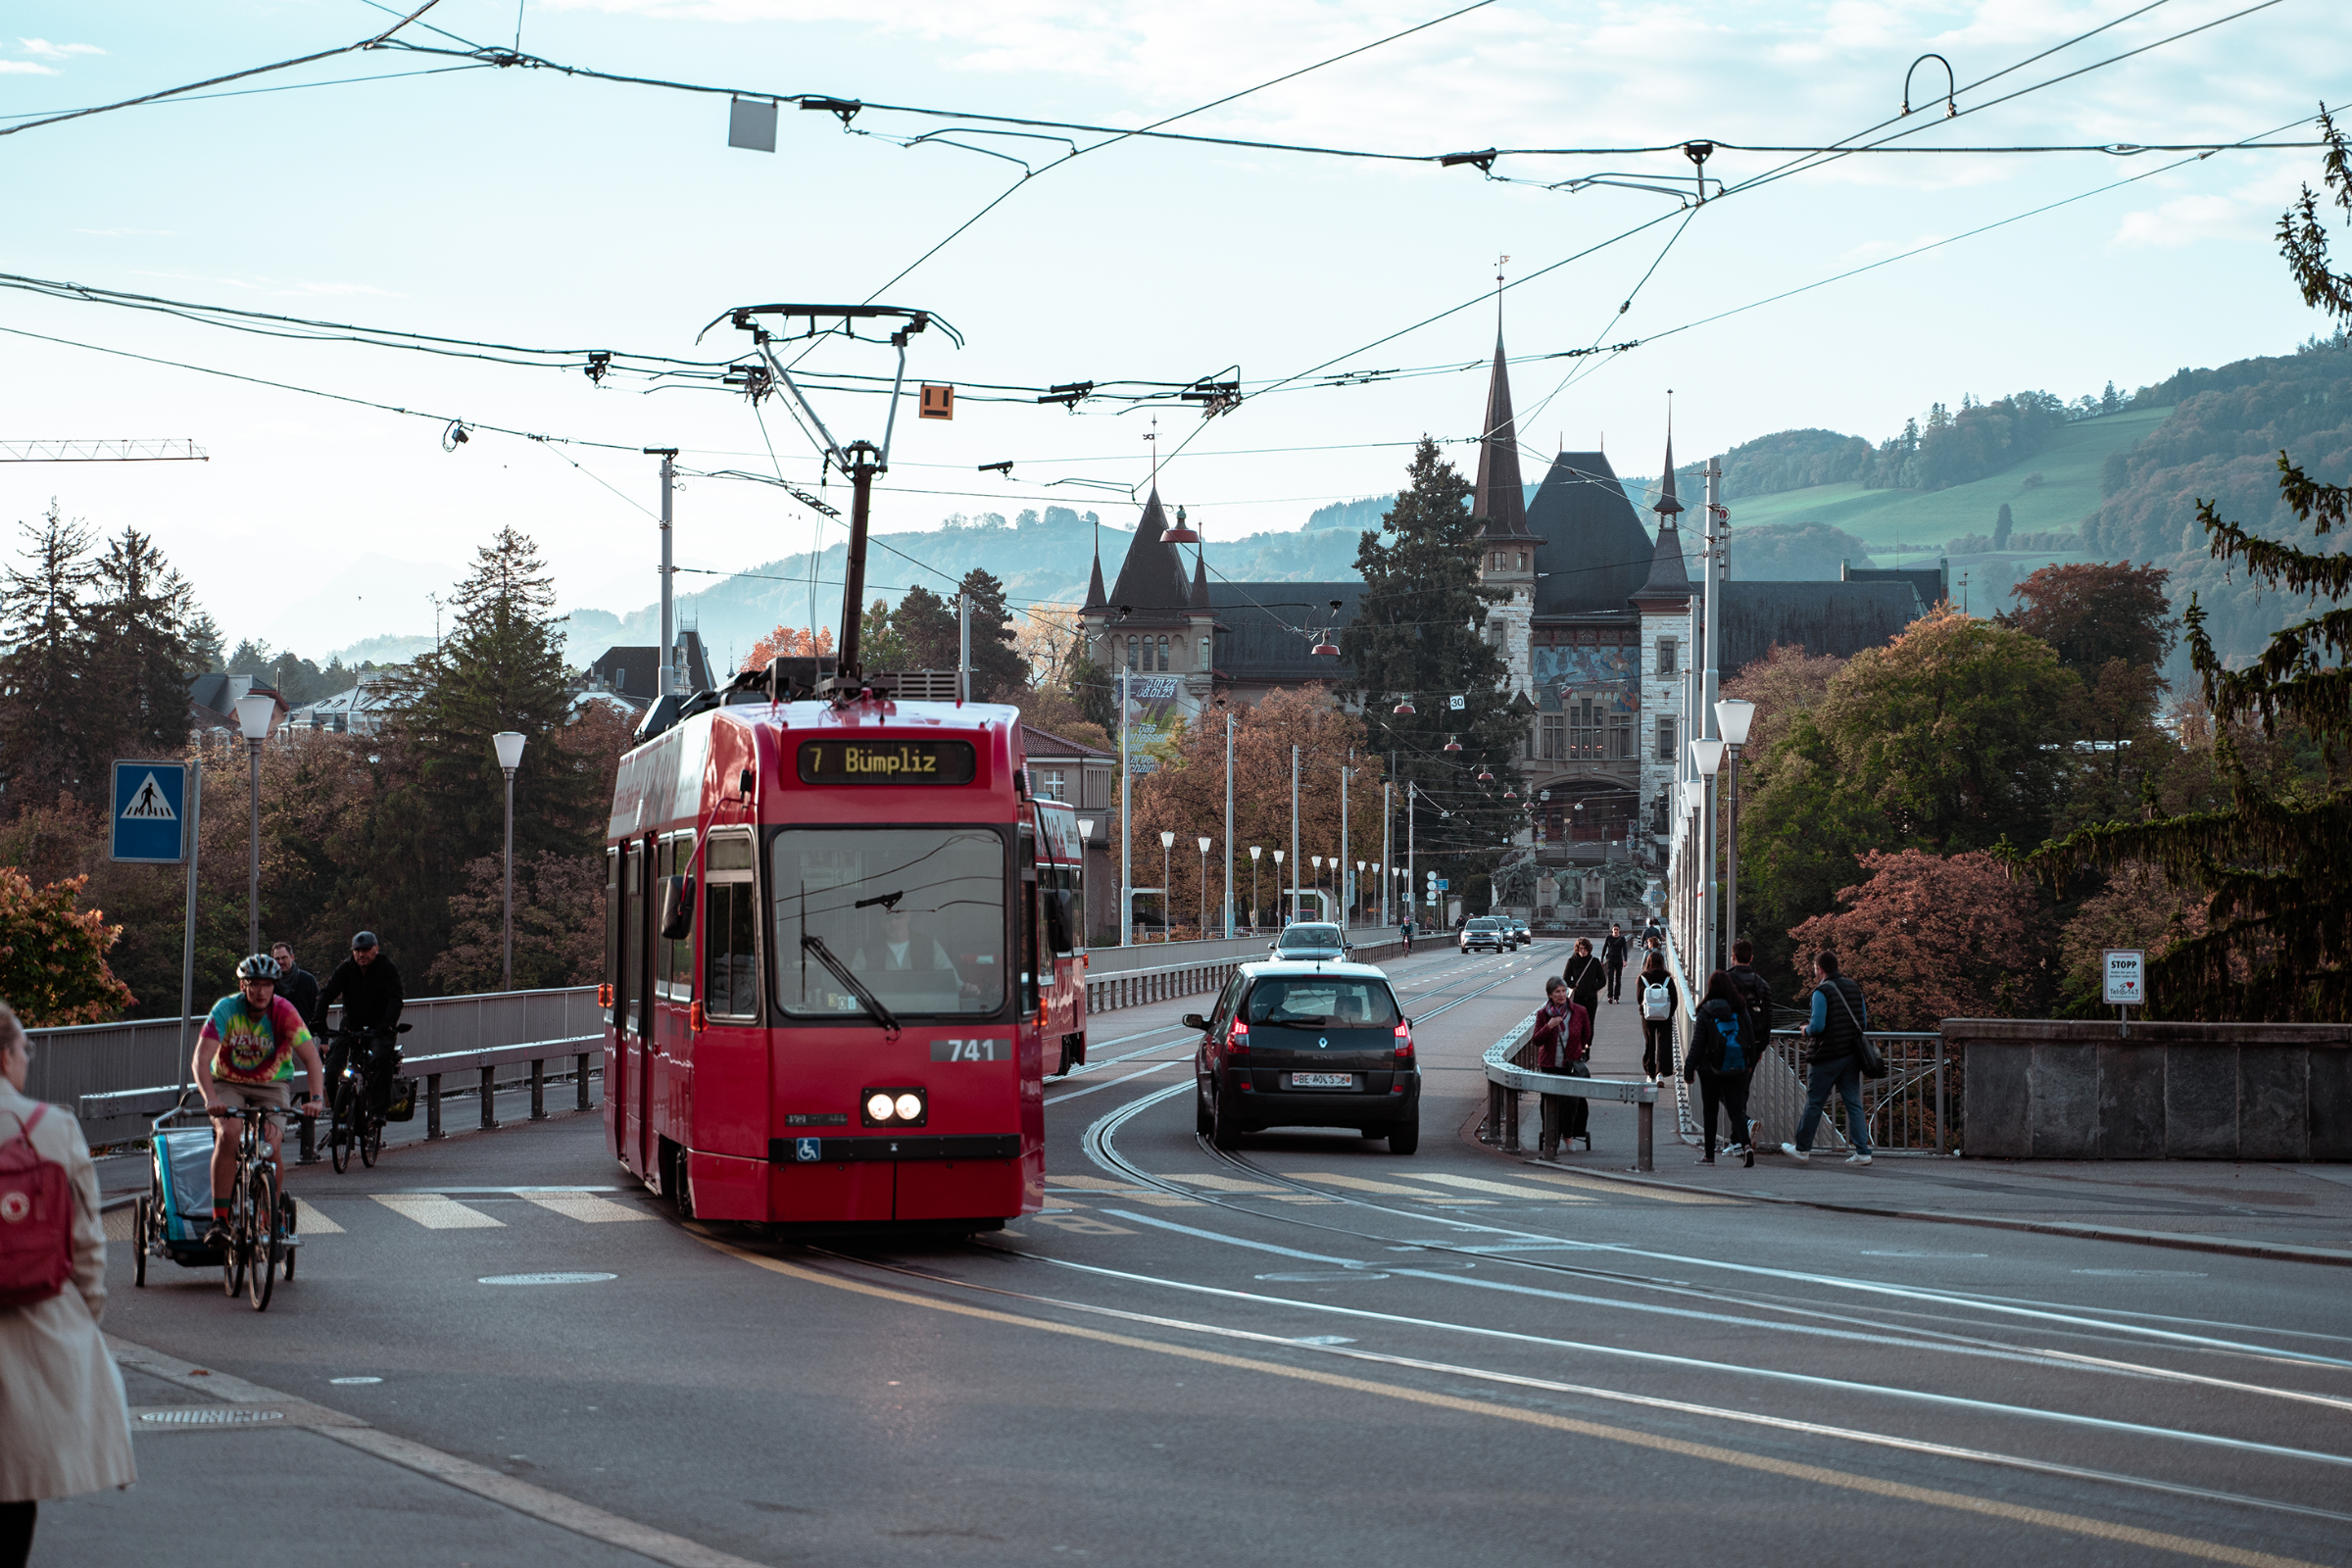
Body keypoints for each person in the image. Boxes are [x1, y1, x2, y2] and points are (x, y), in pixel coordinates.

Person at [0, 1001, 136, 1567]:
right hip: (35, 1326)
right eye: (25, 1049)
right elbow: (87, 1248)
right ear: (6, 1056)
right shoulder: (50, 1129)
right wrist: (84, 1321)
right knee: (14, 1487)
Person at [194, 955, 327, 1250]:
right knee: (228, 1134)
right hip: (228, 1083)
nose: (261, 991)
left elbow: (312, 1058)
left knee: (271, 1145)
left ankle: (271, 1213)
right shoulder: (226, 1009)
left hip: (272, 1084)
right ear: (244, 985)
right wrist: (211, 1099)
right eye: (254, 984)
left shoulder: (284, 1011)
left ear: (274, 986)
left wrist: (316, 1099)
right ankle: (221, 1220)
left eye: (267, 985)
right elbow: (201, 1060)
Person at [1782, 949, 1874, 1166]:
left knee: (1814, 1102)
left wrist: (1805, 1030)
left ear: (1820, 969)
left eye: (1814, 969)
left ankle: (1802, 1148)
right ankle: (1863, 1151)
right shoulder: (1854, 988)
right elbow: (1864, 1022)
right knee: (1853, 1102)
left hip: (1827, 1056)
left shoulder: (1821, 992)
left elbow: (1818, 1026)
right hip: (1851, 1055)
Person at [318, 931, 404, 1113]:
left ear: (376, 949)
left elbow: (395, 998)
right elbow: (327, 994)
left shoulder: (386, 968)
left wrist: (388, 1023)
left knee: (382, 1058)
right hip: (350, 1028)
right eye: (357, 950)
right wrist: (318, 1020)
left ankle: (378, 1112)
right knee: (332, 1069)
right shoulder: (345, 969)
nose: (361, 954)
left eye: (365, 950)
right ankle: (339, 1113)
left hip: (379, 1028)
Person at [1687, 970, 1759, 1166]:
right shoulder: (1740, 1008)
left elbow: (1698, 1043)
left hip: (1709, 1067)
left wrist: (1688, 1069)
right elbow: (1750, 1039)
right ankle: (1746, 1146)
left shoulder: (1705, 1011)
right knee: (1736, 1109)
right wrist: (1750, 1064)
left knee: (1710, 1110)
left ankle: (1709, 1156)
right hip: (1737, 1067)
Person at [1634, 950, 1679, 1081]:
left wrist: (1643, 1009)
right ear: (1662, 962)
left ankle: (1650, 1073)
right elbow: (1674, 999)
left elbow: (1639, 998)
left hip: (1648, 1015)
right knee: (1664, 1042)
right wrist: (1669, 1013)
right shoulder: (1668, 978)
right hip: (1665, 1015)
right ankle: (1661, 1073)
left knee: (1650, 1042)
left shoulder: (1643, 977)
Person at [1560, 937, 1606, 1019]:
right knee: (1577, 1024)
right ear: (1577, 949)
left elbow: (1603, 980)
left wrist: (1594, 987)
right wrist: (1573, 985)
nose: (1583, 951)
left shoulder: (1594, 962)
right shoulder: (1572, 961)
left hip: (1591, 999)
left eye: (1585, 949)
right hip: (1577, 999)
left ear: (1589, 949)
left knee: (1589, 1024)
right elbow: (1565, 978)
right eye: (1580, 948)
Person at [1600, 922, 1629, 1004]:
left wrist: (1625, 960)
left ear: (1619, 930)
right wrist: (1602, 960)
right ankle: (1610, 996)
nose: (1616, 931)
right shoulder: (1608, 938)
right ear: (1612, 930)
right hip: (1610, 960)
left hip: (1619, 960)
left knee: (1618, 980)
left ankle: (1616, 997)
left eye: (1617, 930)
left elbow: (1625, 950)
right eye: (1614, 929)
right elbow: (1604, 949)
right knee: (1610, 978)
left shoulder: (1622, 939)